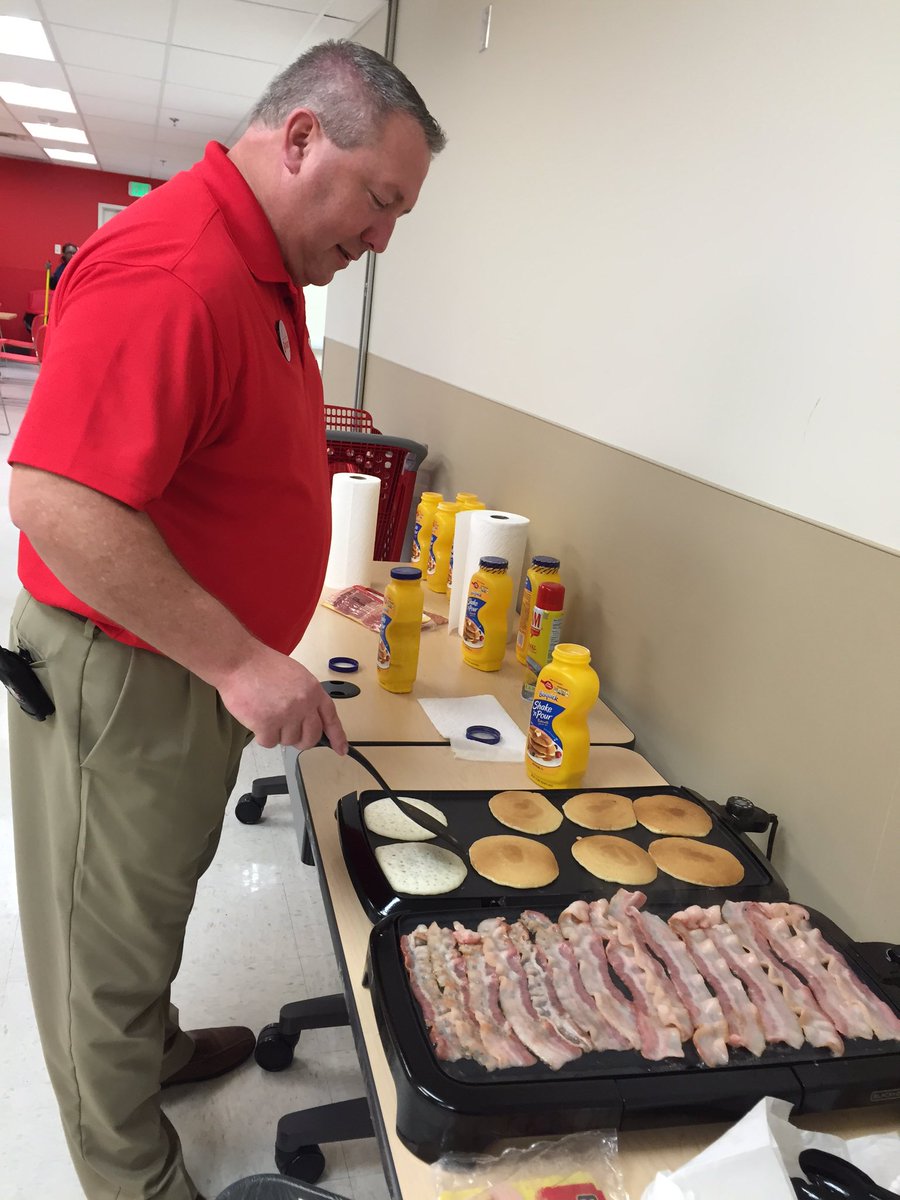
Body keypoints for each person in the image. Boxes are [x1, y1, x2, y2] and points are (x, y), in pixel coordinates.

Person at [6, 39, 445, 1200]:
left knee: (152, 892)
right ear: (301, 137)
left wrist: (268, 614)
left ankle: (150, 1051)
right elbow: (55, 501)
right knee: (99, 944)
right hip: (126, 670)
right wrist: (243, 658)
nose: (384, 237)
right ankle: (130, 1175)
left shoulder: (267, 270)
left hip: (182, 665)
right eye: (381, 200)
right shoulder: (176, 267)